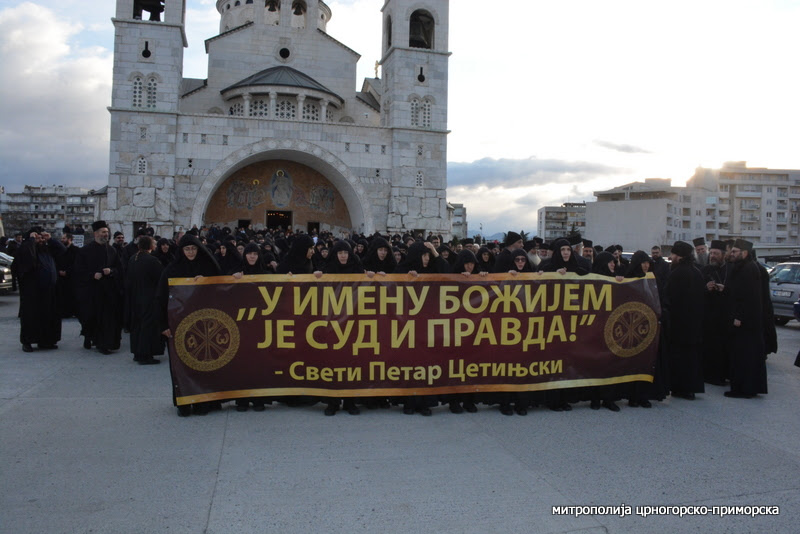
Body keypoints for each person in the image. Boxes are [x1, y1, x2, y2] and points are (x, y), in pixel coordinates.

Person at [158, 234, 222, 416]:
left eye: (193, 249)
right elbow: (160, 299)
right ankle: (183, 402)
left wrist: (207, 281)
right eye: (187, 249)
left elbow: (221, 288)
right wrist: (163, 325)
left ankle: (203, 402)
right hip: (179, 325)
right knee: (181, 365)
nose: (191, 252)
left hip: (204, 325)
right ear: (181, 251)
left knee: (204, 364)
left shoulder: (208, 267)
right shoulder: (171, 270)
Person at [314, 241, 364, 416]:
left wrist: (374, 276)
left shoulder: (357, 269)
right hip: (332, 324)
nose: (343, 255)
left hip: (352, 323)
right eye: (340, 252)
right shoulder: (327, 270)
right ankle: (333, 402)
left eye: (346, 252)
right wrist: (317, 277)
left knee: (351, 363)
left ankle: (350, 402)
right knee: (332, 362)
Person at [724, 239, 767, 398]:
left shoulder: (748, 269)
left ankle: (744, 389)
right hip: (746, 321)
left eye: (735, 252)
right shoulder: (743, 267)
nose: (732, 254)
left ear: (744, 253)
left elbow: (749, 297)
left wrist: (739, 317)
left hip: (746, 323)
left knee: (744, 356)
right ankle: (745, 387)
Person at [74, 221, 124, 355]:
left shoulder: (112, 250)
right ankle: (88, 337)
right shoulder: (85, 251)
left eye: (107, 233)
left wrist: (111, 271)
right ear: (96, 234)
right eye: (103, 232)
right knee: (90, 317)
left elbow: (120, 269)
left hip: (108, 291)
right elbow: (78, 271)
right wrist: (92, 275)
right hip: (91, 291)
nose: (105, 235)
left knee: (107, 319)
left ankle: (104, 344)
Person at [663, 241, 705, 400]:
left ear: (679, 256)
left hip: (680, 324)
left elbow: (670, 298)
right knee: (692, 358)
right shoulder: (696, 272)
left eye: (673, 254)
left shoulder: (678, 273)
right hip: (694, 324)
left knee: (680, 358)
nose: (671, 257)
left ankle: (681, 388)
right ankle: (691, 388)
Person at [12, 227, 66, 352]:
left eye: (42, 237)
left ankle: (47, 341)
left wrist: (51, 239)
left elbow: (63, 251)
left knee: (49, 317)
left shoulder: (47, 249)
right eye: (38, 237)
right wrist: (31, 240)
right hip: (33, 292)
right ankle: (27, 342)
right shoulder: (26, 249)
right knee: (31, 318)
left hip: (50, 291)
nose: (40, 240)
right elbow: (27, 257)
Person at [124, 236, 164, 365]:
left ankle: (137, 352)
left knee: (137, 325)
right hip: (149, 297)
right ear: (150, 246)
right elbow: (160, 279)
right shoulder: (152, 260)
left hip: (135, 296)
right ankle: (145, 354)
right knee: (148, 326)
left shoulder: (133, 258)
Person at [700, 240, 730, 385]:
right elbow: (697, 291)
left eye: (716, 254)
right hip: (708, 316)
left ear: (723, 255)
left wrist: (725, 289)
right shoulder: (705, 270)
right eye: (711, 253)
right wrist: (706, 288)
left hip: (724, 316)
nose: (712, 256)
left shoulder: (730, 270)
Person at [56, 233, 80, 318]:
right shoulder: (60, 250)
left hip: (72, 277)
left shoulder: (76, 250)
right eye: (62, 238)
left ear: (69, 239)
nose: (62, 240)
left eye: (64, 238)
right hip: (61, 277)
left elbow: (77, 264)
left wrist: (67, 272)